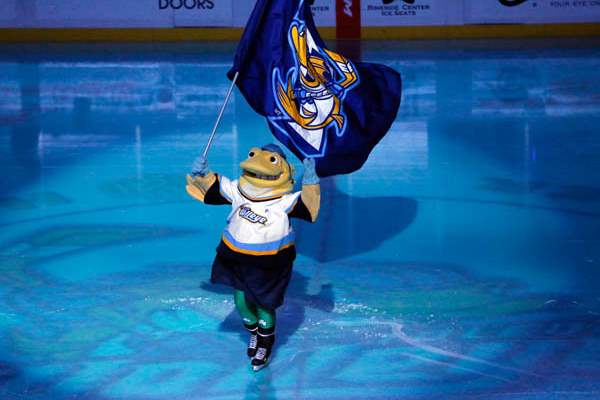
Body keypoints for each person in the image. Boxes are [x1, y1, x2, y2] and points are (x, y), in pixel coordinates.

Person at [185, 144, 320, 370]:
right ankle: (255, 333)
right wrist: (202, 174)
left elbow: (309, 208)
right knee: (241, 302)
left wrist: (310, 182)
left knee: (264, 306)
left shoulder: (284, 202)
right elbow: (213, 189)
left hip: (269, 264)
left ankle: (265, 345)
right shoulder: (238, 190)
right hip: (235, 258)